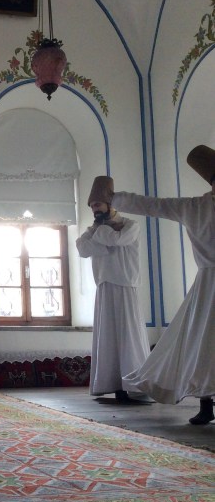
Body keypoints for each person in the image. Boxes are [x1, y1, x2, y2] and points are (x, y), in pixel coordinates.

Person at [112, 144, 214, 424]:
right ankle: (206, 403)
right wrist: (114, 198)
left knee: (203, 342)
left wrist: (114, 198)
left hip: (207, 283)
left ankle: (207, 403)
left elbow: (153, 205)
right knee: (202, 344)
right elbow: (153, 205)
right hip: (208, 285)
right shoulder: (194, 207)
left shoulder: (194, 207)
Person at [75, 176, 151, 403]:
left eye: (97, 204)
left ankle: (134, 384)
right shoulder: (93, 229)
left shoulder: (131, 225)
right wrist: (102, 234)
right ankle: (111, 384)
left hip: (126, 285)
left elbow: (118, 241)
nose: (94, 210)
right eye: (92, 206)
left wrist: (101, 234)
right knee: (107, 338)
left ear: (109, 204)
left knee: (129, 336)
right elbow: (82, 248)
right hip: (104, 286)